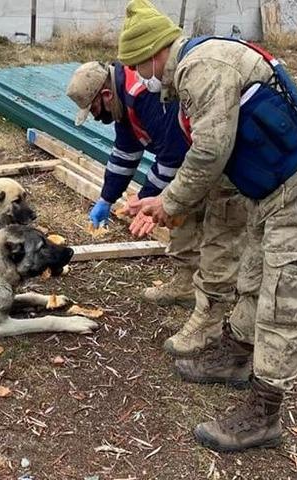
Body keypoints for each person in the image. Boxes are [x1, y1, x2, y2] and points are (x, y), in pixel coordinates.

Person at [118, 0, 297, 452]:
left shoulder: (203, 67)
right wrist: (161, 199)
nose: (137, 77)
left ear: (153, 54)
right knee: (253, 277)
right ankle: (235, 357)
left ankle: (265, 414)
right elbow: (209, 156)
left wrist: (171, 203)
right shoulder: (191, 74)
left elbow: (210, 151)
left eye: (136, 66)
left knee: (285, 297)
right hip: (268, 190)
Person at [66, 61, 247, 356]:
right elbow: (124, 154)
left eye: (95, 109)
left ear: (106, 95)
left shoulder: (146, 97)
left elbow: (172, 156)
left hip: (216, 159)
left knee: (213, 228)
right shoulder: (123, 105)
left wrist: (149, 200)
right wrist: (106, 198)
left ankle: (212, 319)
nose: (98, 117)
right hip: (192, 161)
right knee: (177, 212)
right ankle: (186, 283)